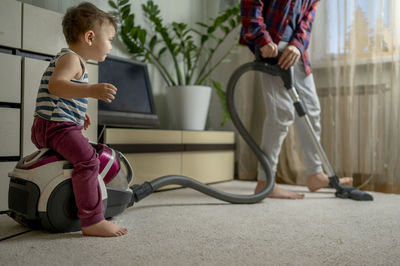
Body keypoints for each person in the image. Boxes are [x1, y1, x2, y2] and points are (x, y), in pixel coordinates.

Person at [239, 0, 353, 199]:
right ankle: (265, 181)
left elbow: (307, 20)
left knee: (311, 110)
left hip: (296, 53)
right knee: (281, 114)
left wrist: (298, 46)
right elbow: (251, 6)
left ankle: (315, 174)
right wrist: (262, 39)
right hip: (272, 48)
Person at [31, 2, 127, 236]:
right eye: (110, 39)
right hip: (55, 126)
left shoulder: (73, 60)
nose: (111, 46)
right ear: (90, 37)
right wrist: (91, 91)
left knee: (78, 159)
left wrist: (76, 111)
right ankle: (92, 220)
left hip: (53, 123)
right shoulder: (71, 59)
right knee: (89, 160)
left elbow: (62, 92)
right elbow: (57, 86)